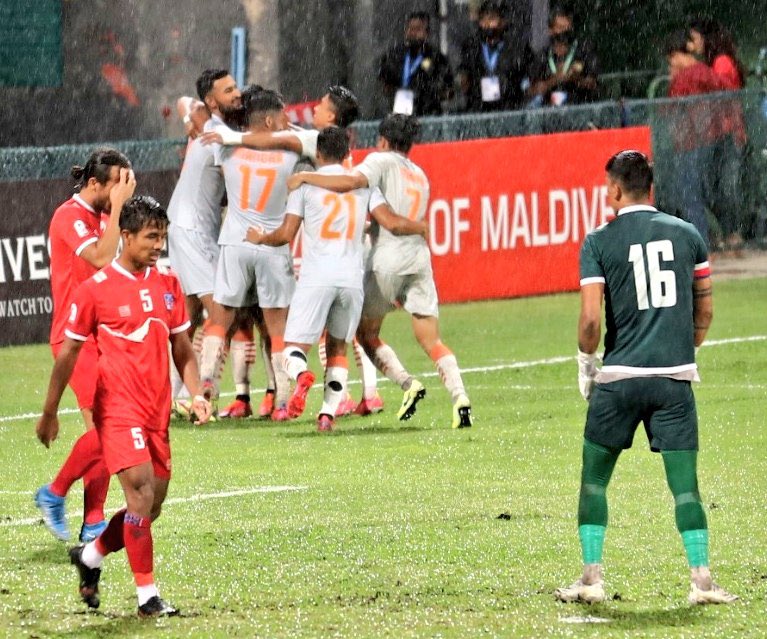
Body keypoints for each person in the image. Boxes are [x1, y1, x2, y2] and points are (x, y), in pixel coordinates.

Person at [556, 150, 737, 605]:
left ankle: (591, 579)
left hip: (618, 380)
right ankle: (701, 581)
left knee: (595, 482)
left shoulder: (598, 240)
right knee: (686, 487)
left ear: (615, 189)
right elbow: (706, 308)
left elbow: (591, 321)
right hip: (673, 384)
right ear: (650, 187)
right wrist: (684, 351)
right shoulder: (688, 234)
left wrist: (586, 364)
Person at [36, 195, 213, 617]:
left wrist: (196, 392)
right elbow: (68, 355)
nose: (158, 246)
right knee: (139, 493)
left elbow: (183, 349)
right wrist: (49, 411)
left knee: (150, 508)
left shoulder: (167, 284)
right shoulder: (94, 291)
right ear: (126, 236)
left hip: (158, 412)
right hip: (117, 410)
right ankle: (147, 598)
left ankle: (91, 556)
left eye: (163, 238)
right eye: (151, 237)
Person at [288, 114, 473, 429]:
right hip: (419, 259)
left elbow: (352, 184)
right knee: (431, 339)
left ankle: (405, 382)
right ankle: (460, 398)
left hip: (388, 257)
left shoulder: (380, 161)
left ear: (384, 141)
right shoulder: (420, 174)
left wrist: (307, 178)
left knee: (364, 333)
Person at [245, 127, 428, 431]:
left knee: (294, 347)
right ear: (347, 154)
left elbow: (286, 234)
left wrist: (260, 237)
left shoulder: (304, 186)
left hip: (317, 277)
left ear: (317, 154)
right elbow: (391, 223)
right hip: (351, 280)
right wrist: (418, 226)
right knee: (338, 349)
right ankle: (327, 415)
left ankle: (302, 375)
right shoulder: (364, 185)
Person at [35, 148, 136, 544]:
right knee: (109, 427)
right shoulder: (69, 216)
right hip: (74, 336)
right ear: (95, 184)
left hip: (107, 333)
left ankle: (92, 519)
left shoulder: (106, 217)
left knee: (110, 430)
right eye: (117, 184)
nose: (122, 193)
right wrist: (117, 209)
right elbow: (99, 257)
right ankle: (56, 493)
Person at [198, 86, 299, 419]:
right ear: (270, 120)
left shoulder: (226, 148)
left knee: (219, 321)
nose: (288, 122)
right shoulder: (290, 154)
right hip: (271, 245)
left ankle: (206, 390)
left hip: (236, 242)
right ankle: (283, 403)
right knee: (277, 328)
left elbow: (195, 112)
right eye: (283, 116)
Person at [687, 19, 747, 254]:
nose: (693, 45)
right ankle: (729, 233)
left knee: (724, 186)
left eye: (695, 38)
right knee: (717, 185)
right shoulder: (716, 61)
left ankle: (733, 233)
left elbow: (721, 95)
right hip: (720, 132)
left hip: (727, 132)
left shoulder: (721, 62)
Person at [664, 30, 725, 247]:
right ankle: (712, 238)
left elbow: (669, 110)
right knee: (702, 192)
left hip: (690, 142)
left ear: (677, 54)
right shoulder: (706, 72)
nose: (670, 63)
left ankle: (702, 244)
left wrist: (673, 80)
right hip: (711, 139)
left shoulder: (685, 78)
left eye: (671, 58)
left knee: (689, 193)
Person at [457, 0, 533, 112]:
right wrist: (462, 78)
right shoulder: (471, 46)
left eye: (492, 19)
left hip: (509, 108)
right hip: (478, 108)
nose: (487, 24)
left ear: (502, 22)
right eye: (483, 20)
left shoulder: (516, 47)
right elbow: (463, 69)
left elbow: (529, 76)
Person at [377, 11, 454, 116]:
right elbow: (385, 83)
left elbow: (447, 90)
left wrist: (425, 92)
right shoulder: (394, 54)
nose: (413, 33)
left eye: (418, 29)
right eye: (410, 29)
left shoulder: (436, 57)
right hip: (398, 113)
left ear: (426, 33)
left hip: (427, 113)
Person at [527, 5, 598, 106]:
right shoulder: (542, 54)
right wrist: (554, 80)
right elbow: (532, 90)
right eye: (560, 28)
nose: (564, 33)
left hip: (580, 108)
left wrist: (572, 77)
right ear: (550, 30)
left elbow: (592, 83)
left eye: (568, 29)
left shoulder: (584, 49)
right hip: (549, 111)